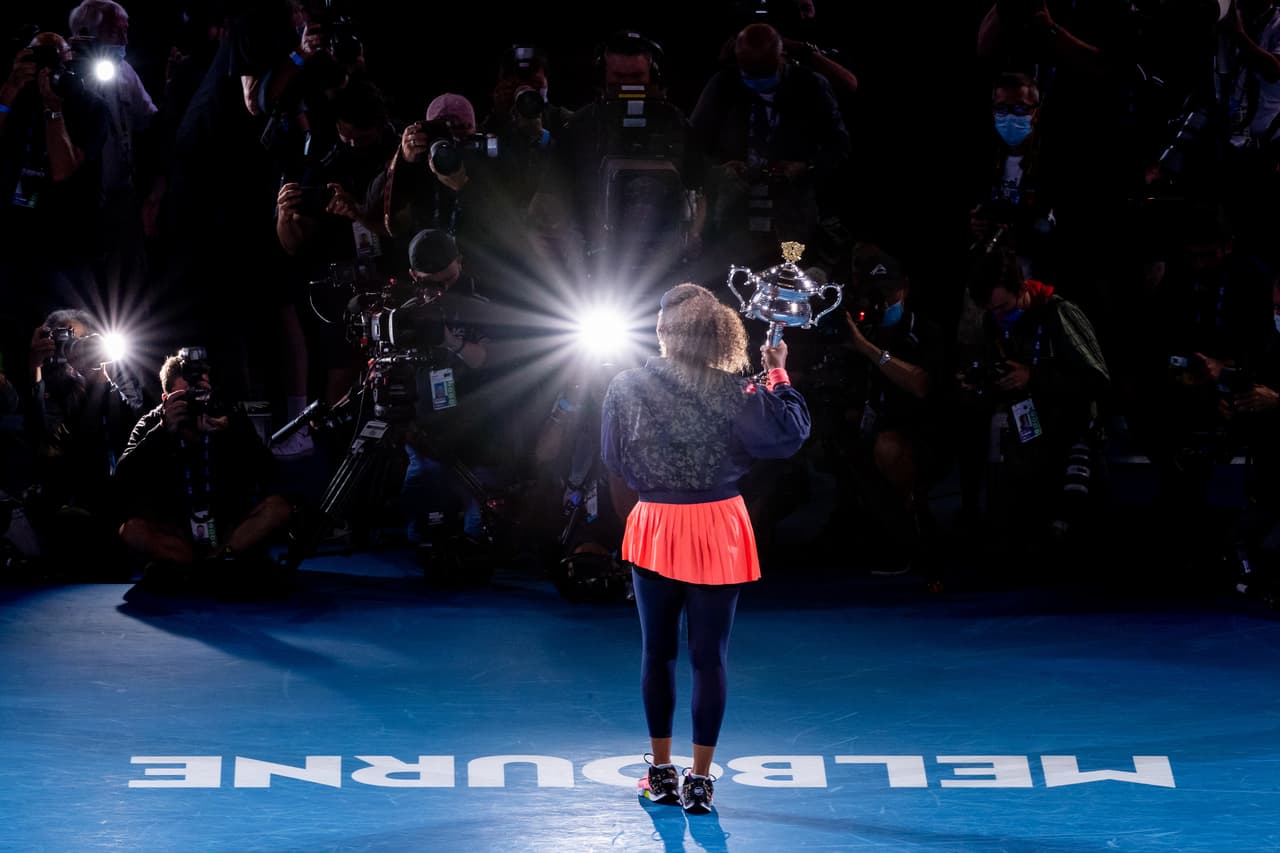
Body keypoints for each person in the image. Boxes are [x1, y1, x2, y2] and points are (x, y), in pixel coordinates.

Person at [599, 282, 811, 814]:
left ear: (663, 333)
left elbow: (614, 458)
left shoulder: (625, 386)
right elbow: (788, 436)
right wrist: (778, 373)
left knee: (657, 653)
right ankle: (698, 781)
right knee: (708, 659)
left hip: (656, 525)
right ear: (721, 334)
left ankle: (661, 772)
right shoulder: (736, 391)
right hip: (718, 526)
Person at [114, 347, 293, 594]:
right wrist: (162, 433)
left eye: (202, 394)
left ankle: (211, 564)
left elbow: (268, 470)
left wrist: (232, 433)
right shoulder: (150, 423)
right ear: (167, 399)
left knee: (278, 509)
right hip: (177, 532)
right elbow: (122, 478)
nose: (197, 402)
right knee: (132, 531)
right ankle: (210, 568)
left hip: (229, 529)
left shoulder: (228, 416)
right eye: (187, 396)